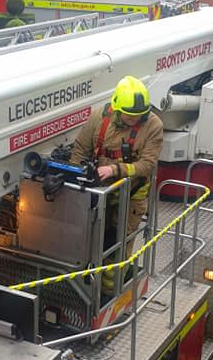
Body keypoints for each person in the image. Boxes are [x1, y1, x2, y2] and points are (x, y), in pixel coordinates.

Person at [70, 75, 163, 292]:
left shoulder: (153, 125)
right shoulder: (99, 119)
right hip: (98, 191)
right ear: (116, 107)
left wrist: (115, 169)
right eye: (130, 115)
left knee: (118, 247)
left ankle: (110, 294)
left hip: (132, 195)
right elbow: (80, 149)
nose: (135, 120)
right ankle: (88, 286)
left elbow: (147, 165)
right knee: (91, 242)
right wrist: (76, 177)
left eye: (139, 115)